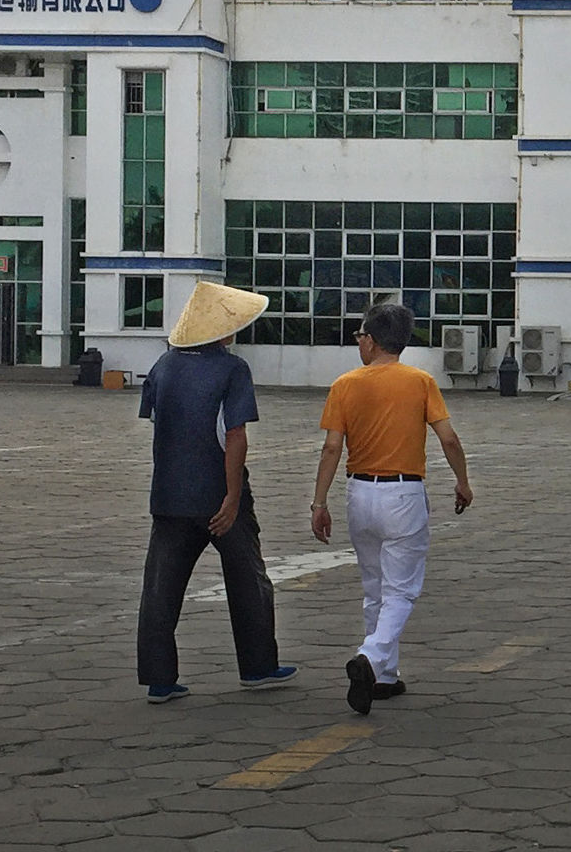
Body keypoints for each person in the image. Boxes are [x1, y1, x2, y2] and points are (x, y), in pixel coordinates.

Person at [310, 301, 472, 716]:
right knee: (401, 589)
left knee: (374, 587)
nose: (358, 342)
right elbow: (448, 438)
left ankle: (384, 675)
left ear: (372, 340)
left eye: (360, 335)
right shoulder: (420, 382)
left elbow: (332, 447)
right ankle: (371, 656)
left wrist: (319, 502)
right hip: (403, 493)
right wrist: (462, 481)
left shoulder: (345, 385)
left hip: (359, 492)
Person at [136, 281, 294, 704]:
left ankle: (159, 678)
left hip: (169, 494)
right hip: (217, 492)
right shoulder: (231, 369)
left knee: (160, 588)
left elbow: (158, 423)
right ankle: (258, 666)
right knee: (248, 579)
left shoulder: (163, 366)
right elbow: (234, 435)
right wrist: (232, 496)